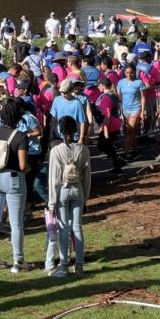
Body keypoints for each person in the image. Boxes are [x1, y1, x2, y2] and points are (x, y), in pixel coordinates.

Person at [0, 101, 31, 273]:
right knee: (16, 222)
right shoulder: (20, 136)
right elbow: (23, 165)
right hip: (13, 178)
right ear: (17, 117)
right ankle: (18, 261)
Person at [46, 114, 91, 277]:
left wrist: (51, 203)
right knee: (77, 227)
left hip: (62, 191)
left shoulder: (56, 151)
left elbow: (53, 178)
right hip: (77, 189)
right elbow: (87, 176)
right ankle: (79, 265)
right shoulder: (83, 150)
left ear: (60, 130)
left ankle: (64, 265)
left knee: (63, 228)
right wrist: (85, 196)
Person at [116, 64, 145, 155]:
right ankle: (135, 150)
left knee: (130, 130)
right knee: (129, 132)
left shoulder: (139, 82)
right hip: (125, 109)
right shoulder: (121, 82)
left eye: (131, 73)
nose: (129, 75)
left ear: (134, 72)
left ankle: (125, 152)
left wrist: (142, 112)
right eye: (127, 73)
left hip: (135, 108)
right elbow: (118, 97)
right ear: (124, 73)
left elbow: (143, 98)